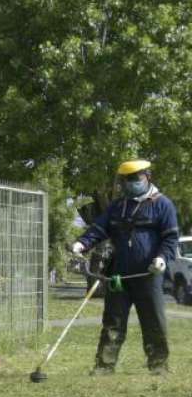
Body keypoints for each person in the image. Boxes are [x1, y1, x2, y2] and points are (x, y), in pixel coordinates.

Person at [72, 159, 179, 375]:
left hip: (149, 274)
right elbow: (99, 229)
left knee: (153, 322)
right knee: (113, 320)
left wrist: (162, 258)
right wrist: (82, 243)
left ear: (147, 177)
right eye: (125, 180)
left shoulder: (162, 204)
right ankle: (104, 365)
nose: (130, 183)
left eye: (134, 179)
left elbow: (170, 238)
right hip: (118, 275)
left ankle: (158, 366)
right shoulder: (117, 206)